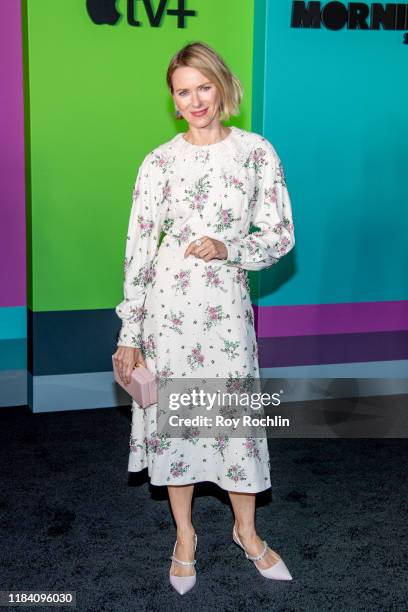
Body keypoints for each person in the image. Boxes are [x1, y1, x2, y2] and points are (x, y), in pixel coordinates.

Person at [113, 41, 295, 595]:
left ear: (222, 85)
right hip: (168, 316)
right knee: (179, 426)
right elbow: (139, 250)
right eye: (182, 92)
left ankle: (247, 532)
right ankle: (185, 537)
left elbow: (282, 235)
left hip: (226, 315)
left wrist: (229, 246)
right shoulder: (159, 161)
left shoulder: (257, 153)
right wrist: (130, 333)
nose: (195, 100)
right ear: (173, 100)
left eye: (203, 87)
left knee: (234, 421)